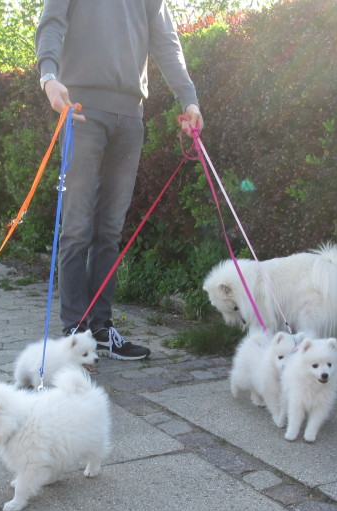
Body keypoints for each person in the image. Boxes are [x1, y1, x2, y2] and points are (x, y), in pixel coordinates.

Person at [36, 0, 204, 360]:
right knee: (77, 227)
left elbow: (166, 41)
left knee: (109, 231)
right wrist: (48, 76)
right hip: (81, 111)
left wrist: (188, 100)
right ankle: (74, 335)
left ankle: (100, 328)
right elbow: (52, 22)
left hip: (130, 118)